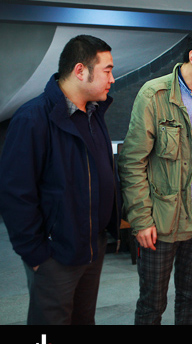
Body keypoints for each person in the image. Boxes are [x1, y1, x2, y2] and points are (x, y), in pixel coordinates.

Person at [0, 35, 120, 325]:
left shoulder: (94, 113)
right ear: (80, 71)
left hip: (92, 245)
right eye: (107, 70)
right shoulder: (32, 118)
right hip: (56, 255)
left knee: (83, 320)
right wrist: (36, 254)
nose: (112, 79)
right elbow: (15, 194)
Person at [118, 25, 192, 325]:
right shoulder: (153, 95)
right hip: (161, 221)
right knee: (152, 303)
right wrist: (141, 219)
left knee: (191, 295)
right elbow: (132, 162)